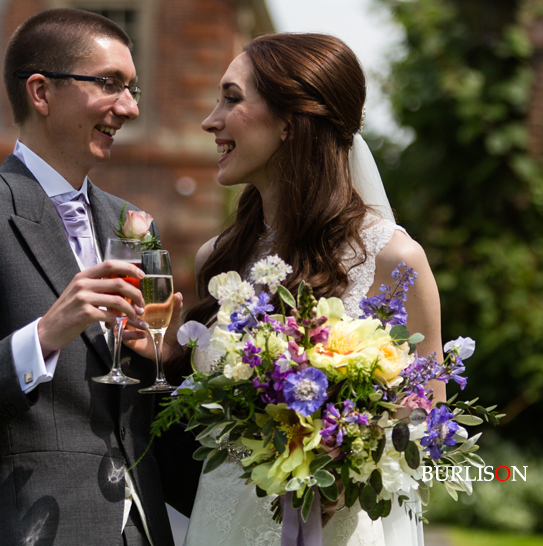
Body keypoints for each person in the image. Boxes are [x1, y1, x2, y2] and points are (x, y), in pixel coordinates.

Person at [0, 8, 190, 546]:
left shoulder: (135, 224)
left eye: (133, 90)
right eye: (110, 84)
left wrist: (170, 359)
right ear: (41, 92)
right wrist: (43, 336)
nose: (128, 107)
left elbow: (148, 426)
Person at [179, 33, 444, 546]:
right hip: (221, 522)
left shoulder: (394, 260)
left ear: (288, 122)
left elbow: (427, 423)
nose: (211, 120)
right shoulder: (218, 260)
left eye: (232, 99)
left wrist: (349, 461)